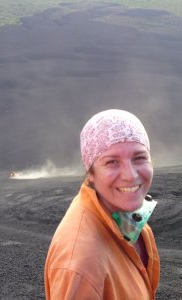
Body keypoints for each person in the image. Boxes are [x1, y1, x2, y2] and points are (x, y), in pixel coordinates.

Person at [44, 109, 160, 300]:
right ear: (91, 172)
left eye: (139, 158)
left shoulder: (123, 216)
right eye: (112, 162)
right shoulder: (81, 264)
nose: (130, 175)